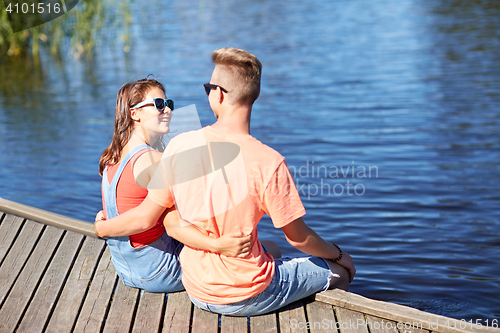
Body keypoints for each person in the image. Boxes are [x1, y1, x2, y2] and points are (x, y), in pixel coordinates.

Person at [95, 49, 355, 315]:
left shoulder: (180, 145)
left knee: (272, 249)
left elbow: (170, 222)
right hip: (245, 293)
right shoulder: (270, 161)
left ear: (218, 94)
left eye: (208, 88)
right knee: (338, 272)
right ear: (254, 94)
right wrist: (337, 255)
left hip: (196, 286)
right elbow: (299, 239)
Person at [95, 77, 252, 293]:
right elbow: (146, 219)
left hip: (127, 269)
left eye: (169, 104)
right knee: (257, 251)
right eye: (159, 105)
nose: (167, 110)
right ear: (135, 113)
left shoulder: (113, 156)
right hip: (160, 271)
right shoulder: (152, 160)